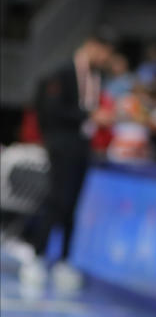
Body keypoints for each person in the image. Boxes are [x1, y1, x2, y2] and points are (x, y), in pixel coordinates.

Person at [19, 27, 116, 292]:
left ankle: (64, 259)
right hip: (61, 144)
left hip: (83, 146)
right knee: (56, 200)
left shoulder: (97, 76)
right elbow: (49, 109)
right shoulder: (61, 72)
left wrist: (94, 120)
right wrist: (87, 116)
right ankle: (37, 254)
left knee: (73, 203)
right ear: (92, 46)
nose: (105, 57)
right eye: (104, 51)